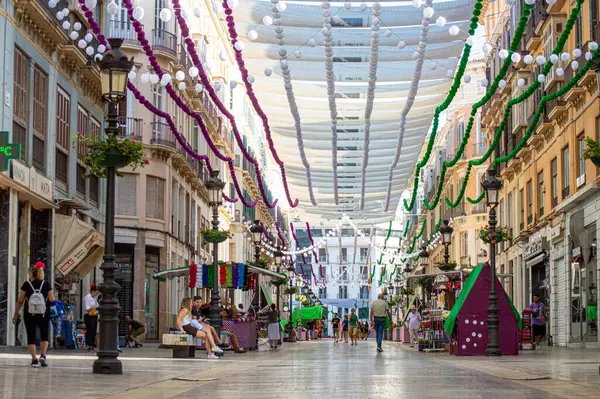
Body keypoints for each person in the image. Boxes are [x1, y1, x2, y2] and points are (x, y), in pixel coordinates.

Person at [13, 262, 55, 367]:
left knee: (31, 335)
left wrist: (16, 313)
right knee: (44, 334)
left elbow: (20, 300)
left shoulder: (26, 284)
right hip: (43, 314)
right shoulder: (46, 284)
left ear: (32, 273)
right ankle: (43, 356)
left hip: (29, 313)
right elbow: (51, 299)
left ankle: (34, 359)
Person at [83, 284, 99, 352]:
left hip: (94, 315)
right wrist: (94, 307)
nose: (97, 293)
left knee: (93, 331)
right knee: (90, 330)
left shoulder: (94, 298)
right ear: (93, 291)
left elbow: (97, 305)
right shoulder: (87, 297)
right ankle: (88, 345)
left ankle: (92, 345)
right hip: (89, 315)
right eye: (96, 292)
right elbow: (87, 307)